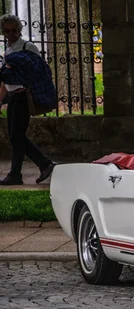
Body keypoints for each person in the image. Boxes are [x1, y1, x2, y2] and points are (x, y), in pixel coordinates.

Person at [0, 14, 56, 185]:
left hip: (24, 96)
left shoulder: (28, 47)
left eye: (14, 30)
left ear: (19, 30)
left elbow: (36, 72)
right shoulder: (8, 50)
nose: (11, 34)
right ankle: (20, 173)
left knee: (16, 136)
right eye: (7, 31)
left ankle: (41, 164)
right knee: (15, 136)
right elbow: (5, 81)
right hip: (13, 97)